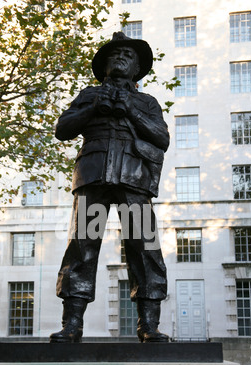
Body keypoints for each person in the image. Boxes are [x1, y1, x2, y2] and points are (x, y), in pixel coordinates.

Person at [50, 32, 170, 343]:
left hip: (135, 180)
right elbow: (62, 130)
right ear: (104, 67)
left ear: (136, 69)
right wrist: (92, 109)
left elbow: (162, 138)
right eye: (114, 55)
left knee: (144, 248)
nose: (120, 58)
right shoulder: (88, 95)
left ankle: (149, 325)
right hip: (92, 176)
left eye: (128, 55)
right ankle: (72, 325)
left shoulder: (147, 102)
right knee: (82, 247)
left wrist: (130, 109)